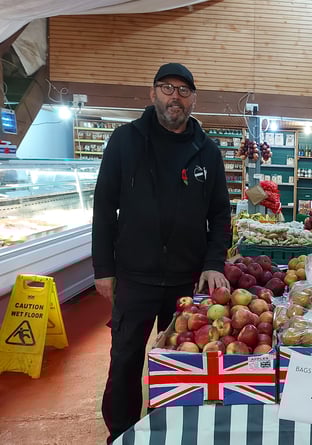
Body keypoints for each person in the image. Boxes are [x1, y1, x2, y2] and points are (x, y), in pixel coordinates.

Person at [92, 62, 232, 444]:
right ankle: (121, 434)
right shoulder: (125, 140)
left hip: (187, 279)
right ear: (152, 93)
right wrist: (103, 268)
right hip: (134, 275)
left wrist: (213, 263)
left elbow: (221, 213)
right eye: (167, 88)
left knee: (180, 361)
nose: (175, 97)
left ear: (193, 99)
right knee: (125, 359)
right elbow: (104, 207)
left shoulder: (207, 151)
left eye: (184, 91)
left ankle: (167, 431)